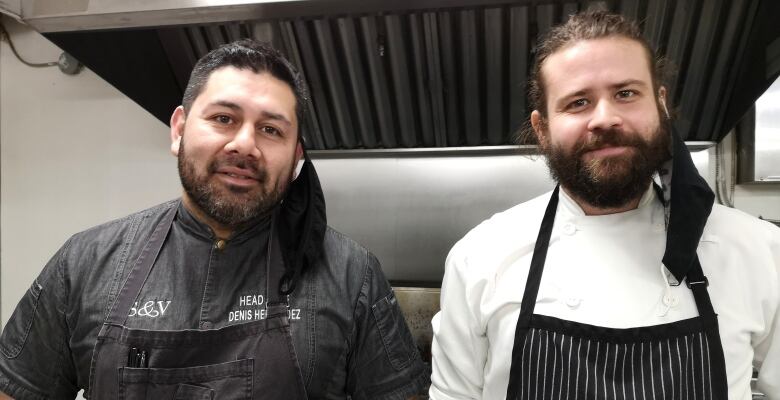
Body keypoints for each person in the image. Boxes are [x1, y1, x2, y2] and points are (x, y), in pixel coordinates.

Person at [0, 39, 428, 399]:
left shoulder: (352, 276)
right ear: (179, 129)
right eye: (224, 119)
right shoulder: (86, 263)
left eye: (271, 130)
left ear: (297, 156)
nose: (244, 144)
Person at [429, 11, 779, 400]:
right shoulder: (481, 256)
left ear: (660, 104)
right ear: (542, 129)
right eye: (578, 102)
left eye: (626, 93)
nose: (605, 118)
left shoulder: (755, 249)